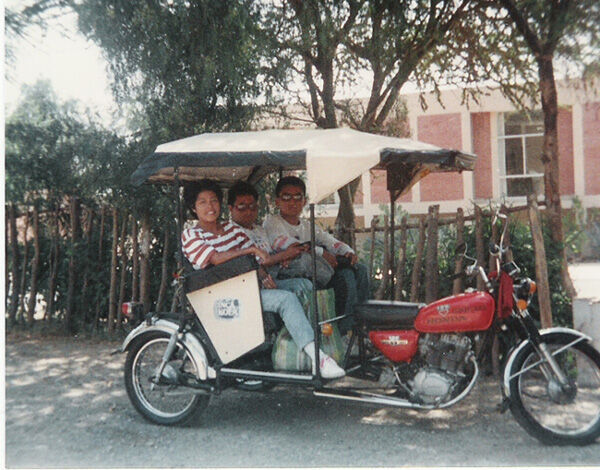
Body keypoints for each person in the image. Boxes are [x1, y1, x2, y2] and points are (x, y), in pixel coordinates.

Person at [181, 179, 345, 379]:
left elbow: (260, 258)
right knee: (286, 299)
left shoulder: (231, 230)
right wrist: (249, 250)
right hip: (222, 295)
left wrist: (263, 272)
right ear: (193, 207)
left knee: (303, 285)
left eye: (214, 201)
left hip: (248, 286)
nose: (210, 207)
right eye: (203, 202)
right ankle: (318, 359)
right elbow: (215, 259)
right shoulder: (191, 234)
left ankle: (299, 347)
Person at [263, 176, 369, 335]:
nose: (292, 202)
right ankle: (343, 329)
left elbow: (330, 241)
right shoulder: (272, 222)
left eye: (298, 197)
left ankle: (359, 323)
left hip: (317, 271)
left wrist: (347, 251)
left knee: (358, 269)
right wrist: (320, 252)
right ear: (277, 201)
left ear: (304, 201)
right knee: (342, 274)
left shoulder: (307, 225)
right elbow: (289, 245)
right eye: (286, 197)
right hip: (288, 273)